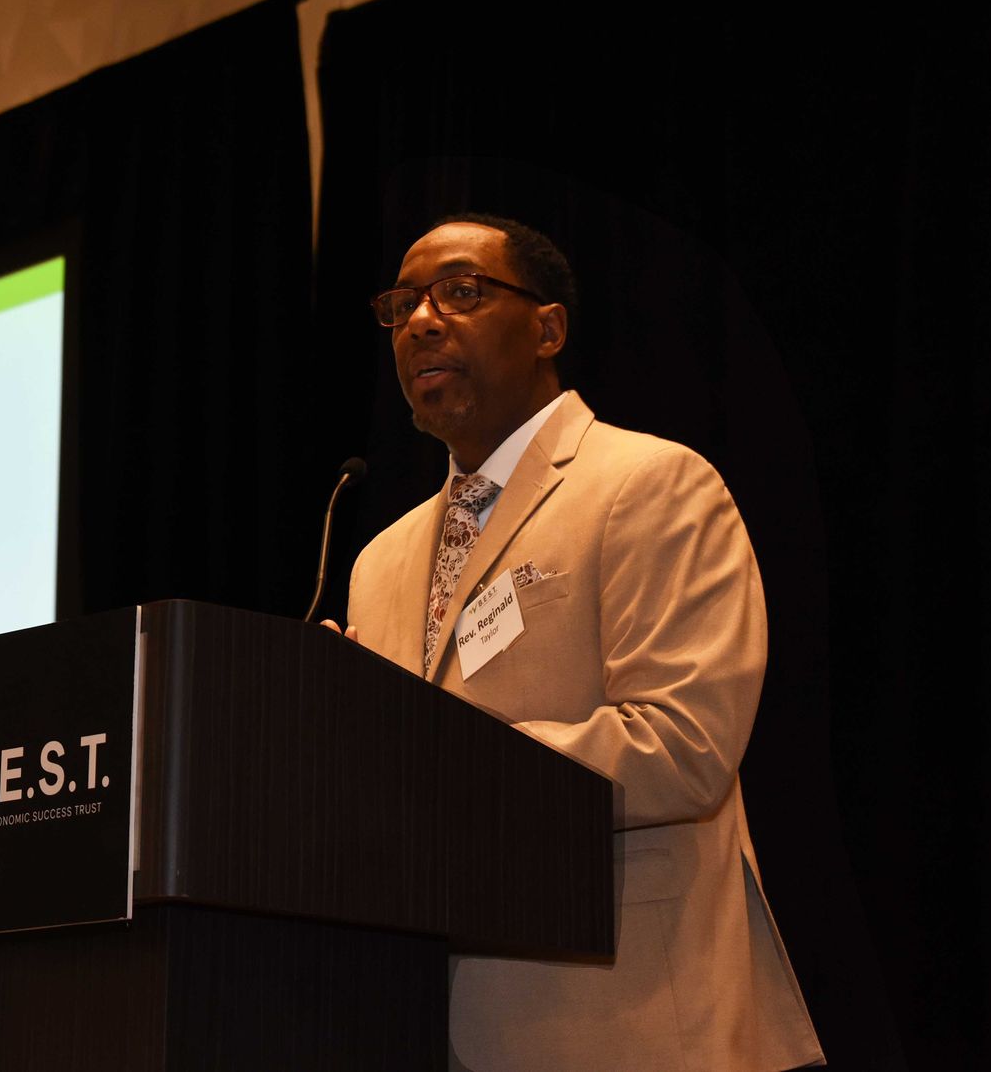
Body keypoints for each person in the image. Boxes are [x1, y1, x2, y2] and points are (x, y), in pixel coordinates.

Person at [334, 215, 823, 1071]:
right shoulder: (378, 560)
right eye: (402, 304)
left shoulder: (650, 484)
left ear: (548, 327)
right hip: (413, 1023)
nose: (419, 322)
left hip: (625, 1022)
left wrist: (430, 767)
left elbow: (683, 745)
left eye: (460, 291)